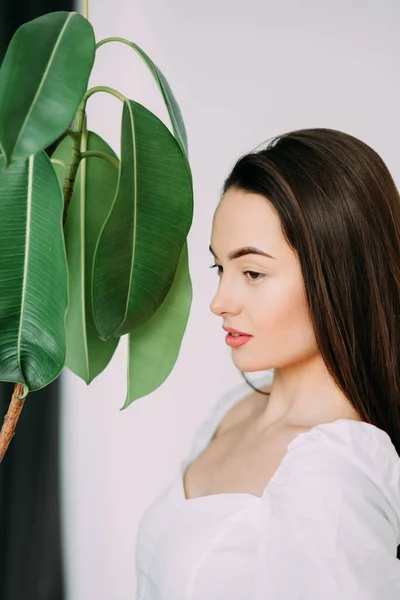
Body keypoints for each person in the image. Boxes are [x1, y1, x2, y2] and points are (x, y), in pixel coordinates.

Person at [134, 128, 400, 599]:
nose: (219, 301)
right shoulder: (234, 411)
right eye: (221, 268)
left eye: (252, 272)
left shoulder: (334, 473)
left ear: (337, 273)